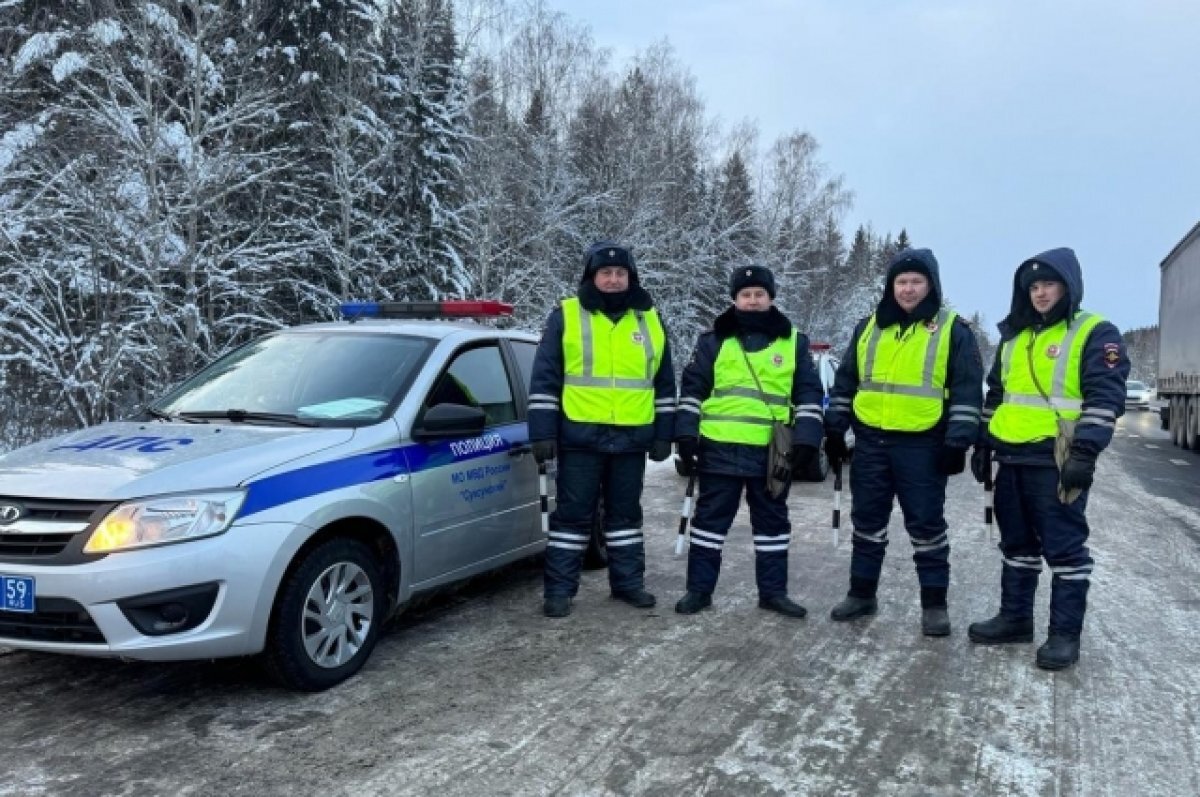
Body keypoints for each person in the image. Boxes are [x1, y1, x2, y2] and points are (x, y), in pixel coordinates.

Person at [968, 248, 1128, 670]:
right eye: (1033, 287)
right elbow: (997, 395)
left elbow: (1105, 397)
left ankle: (1063, 636)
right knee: (1016, 543)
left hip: (1057, 458)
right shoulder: (1014, 335)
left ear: (1068, 286)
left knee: (1064, 549)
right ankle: (1016, 619)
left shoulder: (1095, 332)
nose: (1040, 294)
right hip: (1012, 455)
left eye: (1049, 285)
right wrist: (983, 443)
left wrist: (1086, 453)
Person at [824, 248, 983, 635]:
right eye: (901, 282)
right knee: (867, 523)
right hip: (871, 442)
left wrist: (957, 442)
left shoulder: (952, 330)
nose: (908, 289)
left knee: (926, 527)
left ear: (931, 285)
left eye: (916, 281)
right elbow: (846, 381)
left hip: (924, 446)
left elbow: (966, 391)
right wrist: (834, 427)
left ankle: (934, 605)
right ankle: (862, 594)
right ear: (890, 286)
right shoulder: (868, 327)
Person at [528, 241, 676, 618]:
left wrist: (664, 434)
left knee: (625, 516)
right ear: (591, 276)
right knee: (573, 517)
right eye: (605, 273)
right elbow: (545, 379)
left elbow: (663, 384)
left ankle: (628, 584)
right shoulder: (566, 315)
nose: (613, 279)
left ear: (631, 277)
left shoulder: (650, 320)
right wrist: (542, 432)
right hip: (580, 436)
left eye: (620, 273)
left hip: (631, 437)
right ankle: (559, 590)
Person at [673, 265, 824, 618]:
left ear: (771, 297)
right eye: (746, 294)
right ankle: (699, 591)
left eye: (759, 294)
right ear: (734, 299)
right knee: (709, 524)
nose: (753, 300)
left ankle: (773, 593)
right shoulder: (712, 340)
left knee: (772, 526)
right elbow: (693, 389)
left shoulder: (794, 342)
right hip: (719, 447)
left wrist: (807, 439)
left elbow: (808, 393)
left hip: (772, 453)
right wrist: (685, 433)